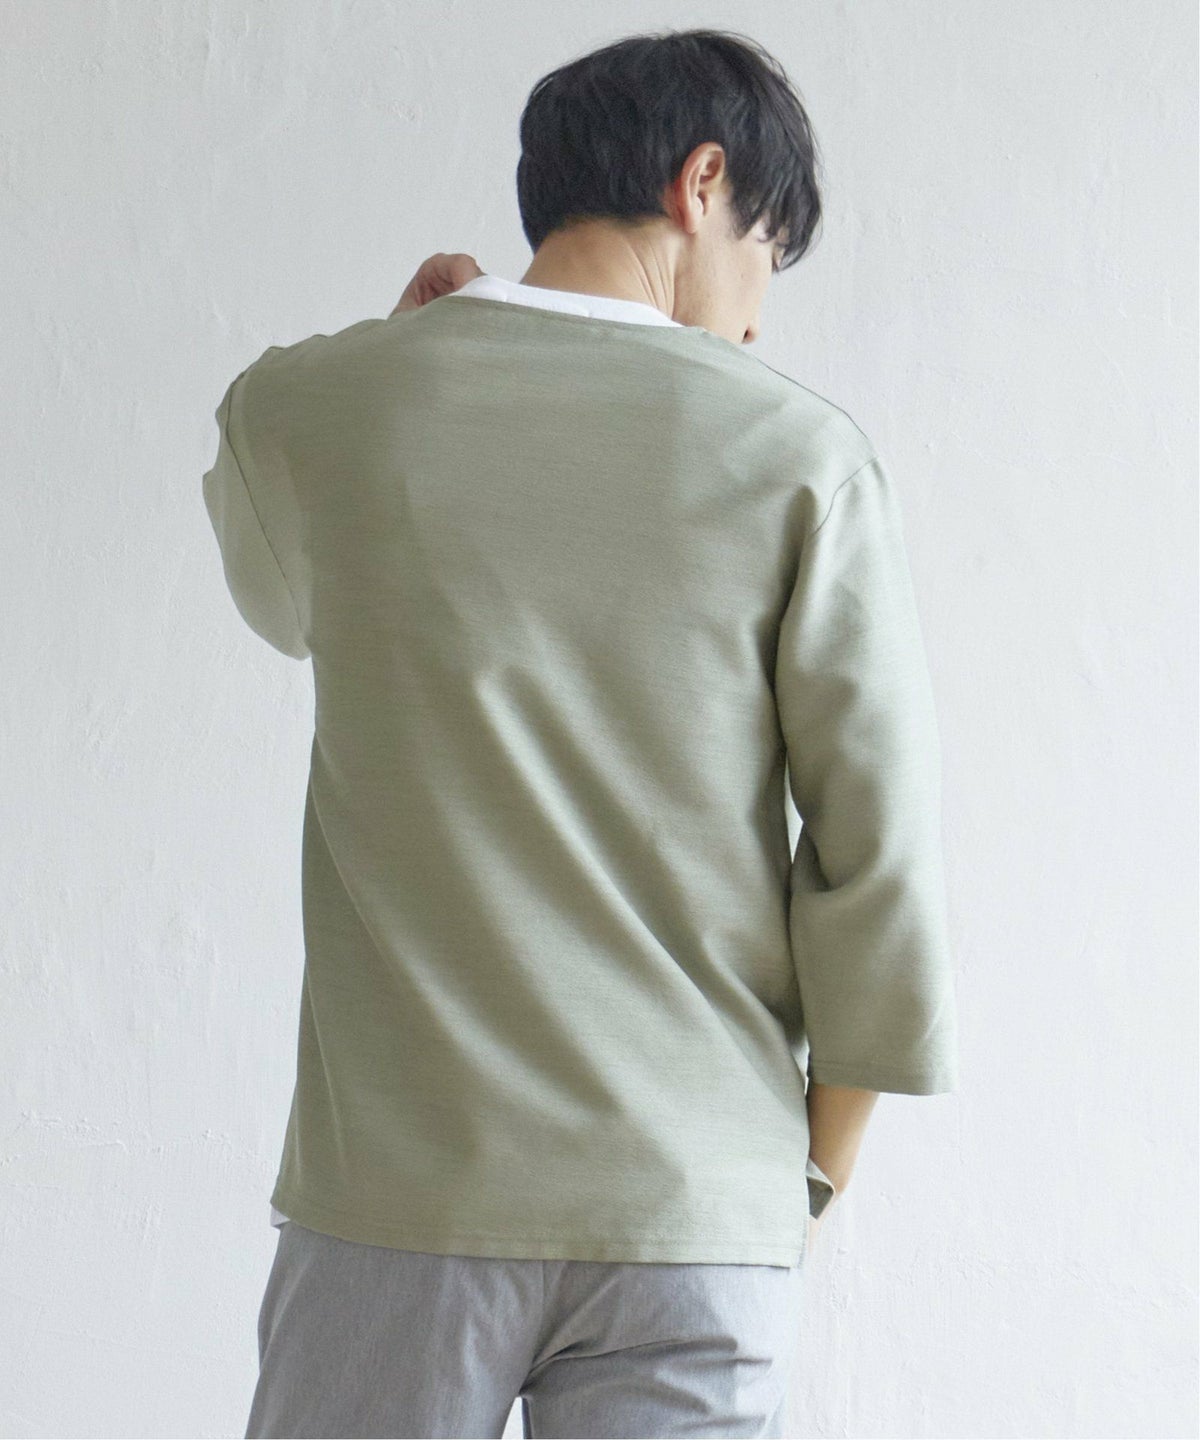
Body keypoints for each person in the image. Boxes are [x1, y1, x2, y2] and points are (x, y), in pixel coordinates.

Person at [203, 25, 959, 1440]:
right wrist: (809, 1178)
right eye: (767, 255)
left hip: (401, 1195)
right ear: (703, 182)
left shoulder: (309, 411)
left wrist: (402, 353)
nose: (755, 321)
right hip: (692, 1205)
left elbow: (279, 604)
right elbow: (880, 856)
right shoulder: (801, 458)